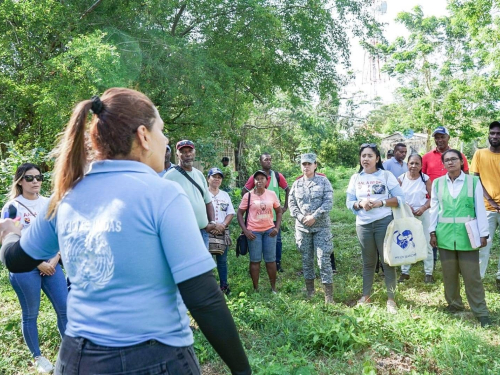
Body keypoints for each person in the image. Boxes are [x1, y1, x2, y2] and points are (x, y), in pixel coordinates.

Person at [0, 89, 251, 374]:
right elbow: (203, 296)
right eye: (162, 130)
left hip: (77, 359)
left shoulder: (65, 196)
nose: (166, 140)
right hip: (156, 358)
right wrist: (242, 370)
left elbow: (16, 259)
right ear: (144, 135)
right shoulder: (162, 194)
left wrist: (9, 232)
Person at [0, 163, 68, 374]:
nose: (35, 181)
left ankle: (69, 350)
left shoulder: (50, 203)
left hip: (52, 264)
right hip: (25, 268)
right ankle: (38, 356)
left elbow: (60, 234)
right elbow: (8, 240)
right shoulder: (12, 207)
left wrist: (55, 259)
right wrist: (38, 262)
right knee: (31, 313)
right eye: (29, 178)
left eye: (39, 177)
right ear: (20, 181)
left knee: (65, 308)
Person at [429, 149, 491, 327]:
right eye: (447, 160)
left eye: (454, 159)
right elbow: (434, 209)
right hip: (445, 235)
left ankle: (481, 312)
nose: (450, 162)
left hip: (468, 236)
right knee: (449, 275)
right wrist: (432, 232)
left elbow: (480, 208)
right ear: (443, 164)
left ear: (461, 162)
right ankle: (454, 305)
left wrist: (483, 233)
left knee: (472, 277)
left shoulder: (473, 182)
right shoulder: (438, 183)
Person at [346, 143, 405, 314]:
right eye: (363, 156)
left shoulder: (386, 176)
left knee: (387, 261)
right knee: (368, 262)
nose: (366, 159)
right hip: (363, 225)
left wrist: (381, 202)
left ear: (377, 158)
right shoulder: (355, 178)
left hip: (384, 222)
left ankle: (391, 299)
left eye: (370, 156)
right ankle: (366, 296)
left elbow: (400, 198)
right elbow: (349, 202)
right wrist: (359, 203)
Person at [288, 153, 334, 303]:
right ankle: (310, 291)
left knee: (323, 260)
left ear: (315, 165)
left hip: (321, 227)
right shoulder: (297, 184)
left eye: (309, 164)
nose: (306, 166)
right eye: (303, 164)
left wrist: (314, 216)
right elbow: (292, 204)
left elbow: (328, 202)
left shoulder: (324, 182)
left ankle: (328, 296)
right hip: (303, 229)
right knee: (306, 259)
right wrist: (301, 218)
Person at [423, 126, 470, 265]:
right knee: (434, 229)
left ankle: (458, 259)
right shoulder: (426, 157)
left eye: (442, 136)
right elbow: (423, 178)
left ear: (448, 138)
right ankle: (434, 260)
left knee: (454, 229)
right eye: (436, 137)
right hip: (433, 201)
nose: (439, 140)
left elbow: (466, 178)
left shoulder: (458, 156)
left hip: (455, 201)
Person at [164, 140, 216, 249]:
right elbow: (163, 209)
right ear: (177, 154)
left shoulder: (199, 174)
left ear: (194, 153)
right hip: (183, 234)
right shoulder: (169, 177)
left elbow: (208, 202)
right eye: (183, 152)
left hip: (203, 232)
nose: (187, 154)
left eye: (190, 151)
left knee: (204, 266)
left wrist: (211, 222)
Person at [242, 153, 289, 272]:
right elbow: (244, 191)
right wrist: (251, 206)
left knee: (277, 240)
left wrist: (285, 207)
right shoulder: (255, 177)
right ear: (260, 162)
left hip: (273, 215)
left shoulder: (277, 176)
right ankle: (257, 265)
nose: (268, 161)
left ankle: (277, 264)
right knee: (257, 241)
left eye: (270, 159)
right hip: (258, 218)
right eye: (265, 159)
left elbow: (288, 189)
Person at [237, 170, 282, 293]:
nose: (259, 181)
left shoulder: (272, 194)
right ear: (254, 181)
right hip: (254, 233)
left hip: (269, 232)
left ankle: (273, 288)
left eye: (262, 178)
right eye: (257, 179)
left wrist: (276, 227)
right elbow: (240, 214)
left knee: (271, 260)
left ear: (266, 181)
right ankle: (256, 289)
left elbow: (278, 211)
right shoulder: (248, 196)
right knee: (255, 260)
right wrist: (245, 231)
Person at [471, 121, 500, 291]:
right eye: (492, 133)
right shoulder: (480, 154)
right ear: (488, 135)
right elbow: (476, 179)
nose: (495, 136)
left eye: (498, 133)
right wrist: (489, 200)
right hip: (486, 208)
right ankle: (478, 278)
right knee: (483, 244)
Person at [396, 154, 434, 283]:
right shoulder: (401, 179)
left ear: (421, 166)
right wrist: (407, 207)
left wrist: (423, 208)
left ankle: (429, 273)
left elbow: (433, 198)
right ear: (407, 164)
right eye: (411, 163)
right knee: (406, 243)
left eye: (417, 163)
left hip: (423, 214)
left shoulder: (425, 179)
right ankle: (404, 272)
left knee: (426, 242)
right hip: (406, 215)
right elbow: (396, 197)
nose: (414, 166)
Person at [207, 167, 235, 295]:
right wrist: (211, 226)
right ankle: (209, 288)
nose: (217, 179)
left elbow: (230, 213)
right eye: (214, 177)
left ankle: (224, 286)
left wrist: (223, 225)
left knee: (222, 261)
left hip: (222, 232)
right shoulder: (203, 194)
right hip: (206, 231)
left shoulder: (225, 195)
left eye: (219, 177)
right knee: (206, 261)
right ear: (208, 179)